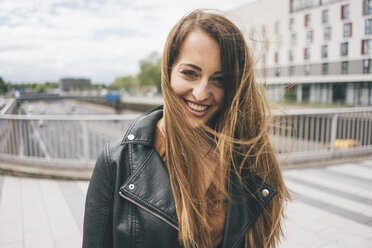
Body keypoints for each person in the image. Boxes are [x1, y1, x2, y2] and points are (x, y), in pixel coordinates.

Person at [83, 9, 290, 248]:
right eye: (190, 73)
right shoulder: (116, 162)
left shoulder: (248, 157)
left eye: (219, 79)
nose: (201, 93)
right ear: (168, 71)